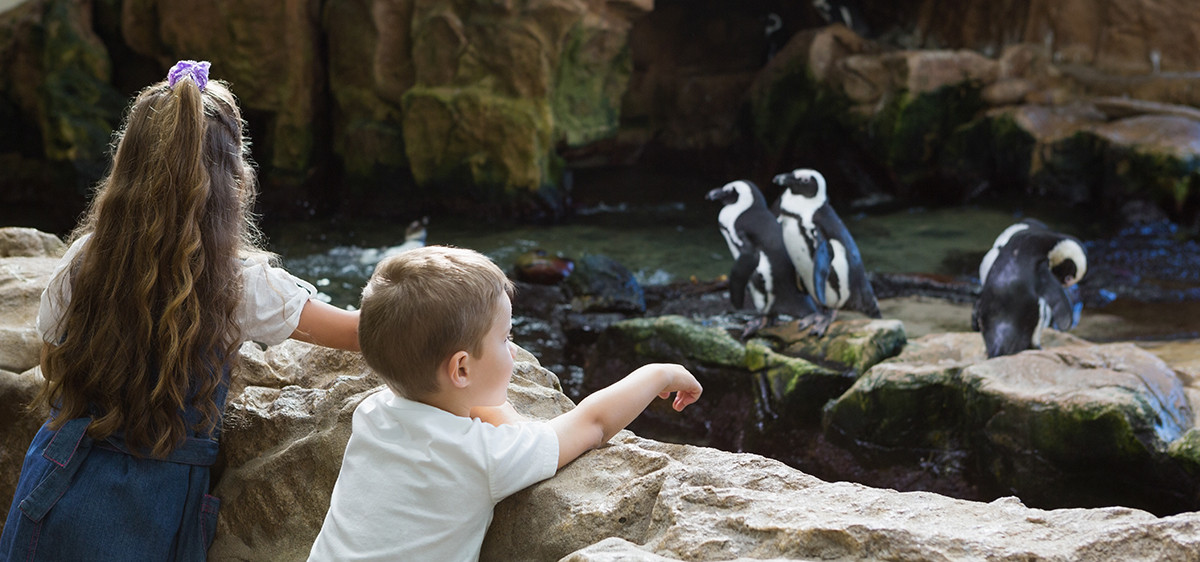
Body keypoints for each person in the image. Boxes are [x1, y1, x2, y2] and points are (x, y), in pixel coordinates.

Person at [0, 60, 360, 561]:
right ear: (235, 177)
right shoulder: (240, 284)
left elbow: (51, 351)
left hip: (56, 482)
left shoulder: (86, 259)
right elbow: (366, 333)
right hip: (152, 505)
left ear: (126, 165)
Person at [307, 245, 703, 561]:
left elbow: (464, 405)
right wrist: (657, 374)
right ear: (461, 369)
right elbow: (593, 423)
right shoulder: (484, 456)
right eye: (505, 338)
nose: (514, 350)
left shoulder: (372, 413)